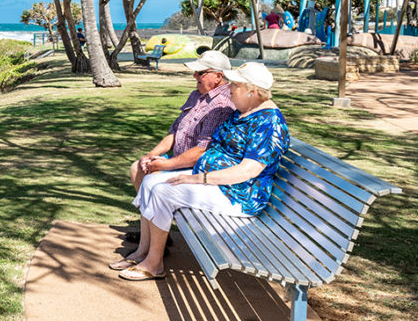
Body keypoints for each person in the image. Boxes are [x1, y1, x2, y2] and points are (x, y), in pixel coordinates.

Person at [113, 62, 290, 281]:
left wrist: (198, 178)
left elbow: (247, 171)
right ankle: (144, 252)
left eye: (234, 84)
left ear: (252, 91)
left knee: (163, 192)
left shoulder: (269, 122)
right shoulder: (244, 112)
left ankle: (154, 264)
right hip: (217, 184)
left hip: (238, 194)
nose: (229, 88)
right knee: (150, 182)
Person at [129, 49, 235, 193]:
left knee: (152, 179)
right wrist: (150, 155)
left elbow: (201, 151)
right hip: (177, 159)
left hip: (197, 168)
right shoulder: (196, 94)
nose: (194, 75)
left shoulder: (222, 105)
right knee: (138, 167)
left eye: (200, 72)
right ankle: (150, 213)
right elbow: (175, 131)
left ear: (218, 76)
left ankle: (153, 214)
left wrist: (164, 165)